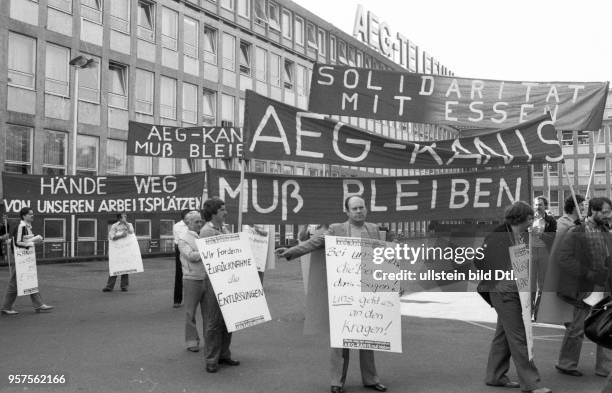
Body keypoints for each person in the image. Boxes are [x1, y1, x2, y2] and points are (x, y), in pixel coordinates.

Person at [277, 196, 387, 393]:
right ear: (347, 212)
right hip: (343, 290)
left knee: (368, 337)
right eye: (355, 208)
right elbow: (315, 242)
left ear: (366, 209)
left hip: (366, 290)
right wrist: (292, 251)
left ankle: (371, 378)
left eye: (361, 207)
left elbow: (382, 257)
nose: (359, 211)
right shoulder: (336, 229)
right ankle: (337, 381)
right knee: (341, 339)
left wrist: (390, 285)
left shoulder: (373, 229)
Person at [477, 201, 551, 393]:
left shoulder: (524, 236)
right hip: (504, 293)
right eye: (530, 218)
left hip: (519, 292)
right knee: (520, 338)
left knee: (504, 335)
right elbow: (479, 260)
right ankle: (531, 384)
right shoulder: (498, 235)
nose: (532, 220)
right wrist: (496, 281)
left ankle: (494, 376)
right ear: (522, 218)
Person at [557, 197, 612, 378]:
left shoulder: (605, 230)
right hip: (584, 286)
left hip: (604, 285)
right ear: (593, 211)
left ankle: (605, 368)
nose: (607, 215)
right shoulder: (577, 231)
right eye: (604, 212)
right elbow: (564, 259)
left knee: (606, 325)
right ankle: (566, 364)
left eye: (609, 212)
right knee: (577, 327)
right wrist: (588, 273)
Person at [199, 197, 240, 373]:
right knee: (214, 321)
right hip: (214, 281)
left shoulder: (224, 228)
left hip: (228, 278)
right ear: (214, 213)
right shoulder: (207, 232)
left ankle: (224, 354)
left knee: (229, 319)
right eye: (222, 209)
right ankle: (211, 359)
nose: (226, 212)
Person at [1, 207, 54, 315]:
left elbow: (23, 240)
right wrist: (34, 242)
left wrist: (35, 240)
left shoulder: (27, 226)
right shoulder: (22, 226)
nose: (32, 215)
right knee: (15, 282)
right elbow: (18, 242)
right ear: (24, 216)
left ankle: (38, 304)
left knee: (29, 279)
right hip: (20, 258)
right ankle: (6, 307)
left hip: (25, 257)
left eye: (32, 213)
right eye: (30, 214)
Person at [177, 210, 206, 353]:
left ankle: (210, 340)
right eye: (196, 221)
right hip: (192, 279)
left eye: (201, 221)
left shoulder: (204, 235)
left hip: (206, 278)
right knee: (190, 312)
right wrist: (208, 250)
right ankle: (191, 342)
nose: (199, 224)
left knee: (209, 313)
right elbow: (191, 256)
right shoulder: (183, 238)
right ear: (188, 223)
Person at [531, 196, 556, 315]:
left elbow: (553, 239)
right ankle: (528, 310)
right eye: (536, 204)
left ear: (545, 206)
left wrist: (541, 234)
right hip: (530, 252)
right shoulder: (528, 219)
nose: (537, 207)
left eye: (540, 204)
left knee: (542, 284)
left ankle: (537, 311)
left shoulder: (551, 221)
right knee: (530, 284)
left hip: (544, 252)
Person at [103, 213, 134, 292]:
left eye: (126, 216)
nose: (126, 217)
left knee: (125, 267)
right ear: (120, 218)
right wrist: (120, 236)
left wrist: (126, 224)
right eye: (124, 217)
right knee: (114, 267)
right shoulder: (114, 226)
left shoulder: (129, 224)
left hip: (126, 249)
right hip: (117, 249)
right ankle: (109, 287)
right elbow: (111, 236)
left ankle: (124, 286)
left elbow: (131, 232)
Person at [172, 209, 191, 308]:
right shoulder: (177, 226)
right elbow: (182, 238)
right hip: (180, 249)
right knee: (179, 274)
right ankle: (177, 300)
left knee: (192, 273)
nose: (190, 219)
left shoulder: (192, 225)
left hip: (191, 248)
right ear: (183, 218)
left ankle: (192, 299)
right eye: (188, 217)